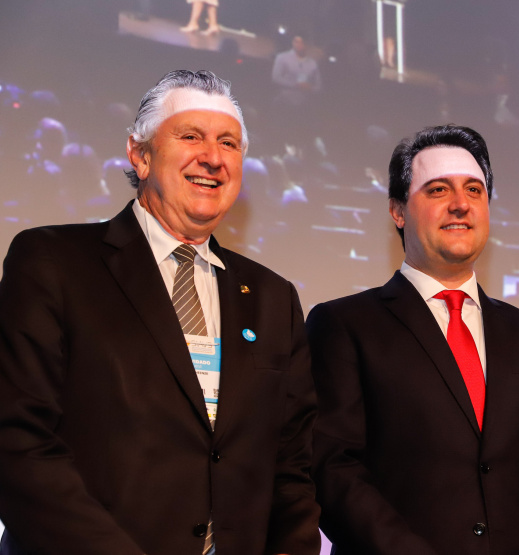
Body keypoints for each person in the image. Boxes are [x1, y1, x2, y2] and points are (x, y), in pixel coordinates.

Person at [0, 70, 320, 555]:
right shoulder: (52, 262)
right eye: (190, 135)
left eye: (228, 143)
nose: (212, 157)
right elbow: (17, 441)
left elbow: (292, 469)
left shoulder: (275, 298)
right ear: (139, 154)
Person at [305, 124, 519, 554]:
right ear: (398, 210)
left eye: (475, 191)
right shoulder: (344, 325)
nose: (461, 205)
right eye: (438, 190)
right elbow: (332, 469)